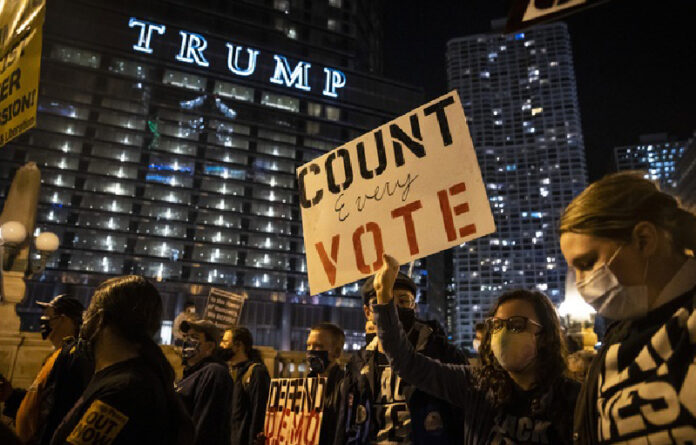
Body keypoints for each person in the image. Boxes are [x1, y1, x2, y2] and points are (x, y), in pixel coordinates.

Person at [373, 254, 580, 444]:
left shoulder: (573, 398)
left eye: (517, 325)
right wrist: (384, 299)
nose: (505, 333)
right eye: (498, 325)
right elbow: (407, 363)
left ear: (544, 336)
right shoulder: (478, 386)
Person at [559, 171, 696, 444]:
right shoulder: (614, 348)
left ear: (643, 239)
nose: (579, 282)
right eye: (573, 269)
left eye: (586, 263)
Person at [49, 275, 194, 445]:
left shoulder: (123, 391)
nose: (84, 320)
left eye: (88, 312)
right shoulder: (134, 380)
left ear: (100, 319)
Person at [350, 269, 468, 444]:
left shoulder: (444, 354)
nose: (393, 308)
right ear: (368, 312)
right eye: (383, 301)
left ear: (415, 307)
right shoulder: (358, 363)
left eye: (403, 301)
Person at [1, 294, 93, 445]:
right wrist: (11, 396)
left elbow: (57, 409)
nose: (43, 320)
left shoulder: (74, 358)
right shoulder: (55, 356)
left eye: (48, 316)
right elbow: (41, 400)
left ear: (63, 319)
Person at [176, 320, 234, 445]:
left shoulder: (214, 373)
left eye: (194, 337)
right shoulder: (189, 375)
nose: (187, 341)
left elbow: (205, 428)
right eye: (186, 337)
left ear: (210, 346)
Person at [220, 327, 270, 445]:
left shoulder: (256, 372)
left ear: (239, 345)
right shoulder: (229, 371)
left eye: (225, 342)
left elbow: (259, 412)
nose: (221, 345)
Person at [306, 322, 349, 445]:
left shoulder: (345, 385)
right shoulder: (306, 384)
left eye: (317, 346)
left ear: (336, 352)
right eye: (308, 345)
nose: (311, 351)